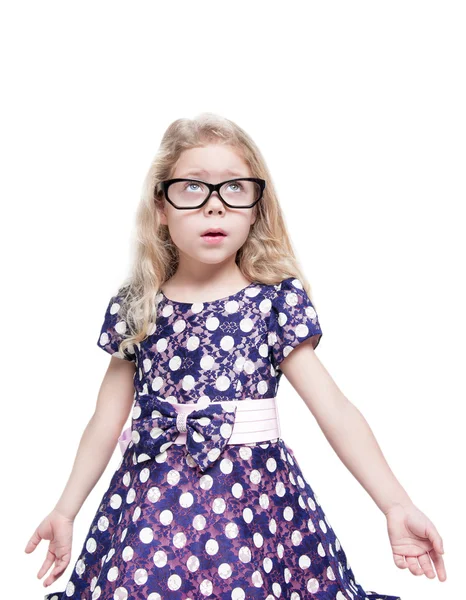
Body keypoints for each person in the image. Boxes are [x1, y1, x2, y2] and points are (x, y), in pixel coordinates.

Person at [25, 112, 446, 600]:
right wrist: (65, 509)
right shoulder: (137, 304)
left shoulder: (273, 300)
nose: (214, 208)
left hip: (253, 510)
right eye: (192, 189)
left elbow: (335, 410)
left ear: (256, 207)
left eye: (234, 189)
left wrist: (395, 504)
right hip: (150, 511)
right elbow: (104, 421)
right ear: (159, 205)